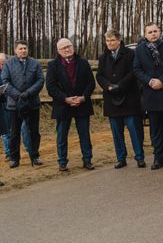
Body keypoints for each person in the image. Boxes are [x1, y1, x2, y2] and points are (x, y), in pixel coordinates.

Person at [133, 23, 163, 170]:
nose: (153, 34)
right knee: (155, 129)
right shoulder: (140, 49)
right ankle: (157, 158)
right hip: (151, 94)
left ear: (160, 32)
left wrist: (162, 80)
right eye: (150, 32)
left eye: (155, 31)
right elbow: (136, 69)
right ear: (145, 34)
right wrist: (150, 81)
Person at [96, 29, 146, 169]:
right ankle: (121, 158)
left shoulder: (130, 54)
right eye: (107, 40)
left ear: (119, 40)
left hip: (129, 98)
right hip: (111, 99)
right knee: (117, 132)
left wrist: (120, 86)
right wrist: (108, 86)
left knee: (134, 130)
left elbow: (133, 72)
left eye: (112, 40)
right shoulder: (102, 57)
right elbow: (99, 76)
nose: (110, 43)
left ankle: (140, 157)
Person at [46, 38, 96, 171]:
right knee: (62, 135)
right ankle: (62, 162)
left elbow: (91, 83)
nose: (67, 49)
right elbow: (51, 87)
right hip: (63, 106)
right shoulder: (53, 65)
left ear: (73, 47)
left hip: (82, 104)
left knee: (84, 134)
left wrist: (83, 97)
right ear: (58, 51)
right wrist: (65, 99)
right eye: (63, 48)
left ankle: (87, 160)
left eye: (69, 46)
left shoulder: (83, 62)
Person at [1, 40, 44, 168]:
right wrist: (18, 95)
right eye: (20, 48)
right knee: (14, 133)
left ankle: (35, 156)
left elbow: (40, 80)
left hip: (32, 103)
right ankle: (15, 158)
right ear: (15, 50)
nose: (23, 50)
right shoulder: (8, 64)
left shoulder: (35, 63)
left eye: (25, 48)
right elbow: (5, 81)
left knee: (34, 131)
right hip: (14, 105)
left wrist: (28, 93)